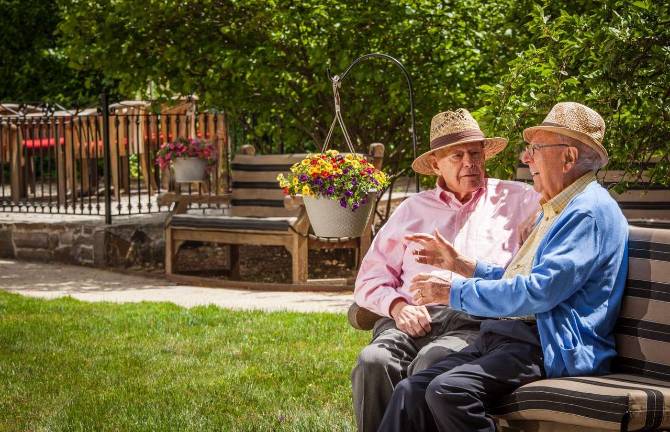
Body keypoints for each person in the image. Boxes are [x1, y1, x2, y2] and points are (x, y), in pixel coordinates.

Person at [378, 102, 629, 432]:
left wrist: (454, 291)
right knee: (412, 390)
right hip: (511, 334)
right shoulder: (558, 208)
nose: (526, 158)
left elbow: (537, 293)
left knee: (448, 391)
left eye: (535, 149)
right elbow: (525, 280)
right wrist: (463, 265)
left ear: (567, 157)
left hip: (547, 345)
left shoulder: (586, 213)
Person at [351, 108, 540, 432]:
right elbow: (370, 276)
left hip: (474, 321)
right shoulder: (412, 209)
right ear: (436, 163)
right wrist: (398, 307)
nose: (471, 163)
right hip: (412, 319)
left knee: (432, 362)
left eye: (476, 153)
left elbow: (551, 236)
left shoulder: (518, 199)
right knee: (373, 362)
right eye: (458, 155)